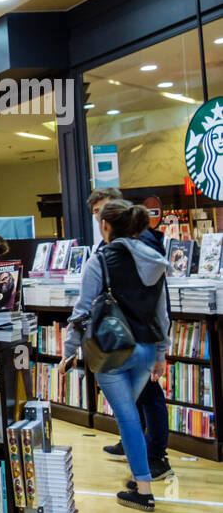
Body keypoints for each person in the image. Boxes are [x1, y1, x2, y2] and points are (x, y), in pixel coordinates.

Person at [60, 200, 169, 511]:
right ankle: (139, 474)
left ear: (105, 225)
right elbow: (161, 314)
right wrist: (161, 353)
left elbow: (81, 312)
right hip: (147, 349)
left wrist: (69, 352)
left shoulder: (101, 260)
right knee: (131, 413)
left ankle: (144, 490)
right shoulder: (155, 258)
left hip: (113, 350)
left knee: (128, 418)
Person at [88, 188, 172, 480]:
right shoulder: (116, 246)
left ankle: (155, 456)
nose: (99, 219)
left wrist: (161, 344)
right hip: (131, 335)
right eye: (96, 213)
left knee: (150, 394)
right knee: (135, 401)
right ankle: (133, 446)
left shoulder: (140, 241)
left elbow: (154, 294)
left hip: (138, 334)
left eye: (102, 211)